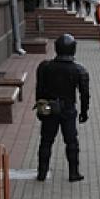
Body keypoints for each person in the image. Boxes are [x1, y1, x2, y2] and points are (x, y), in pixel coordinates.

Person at [34, 34, 90, 182]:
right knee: (71, 142)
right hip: (68, 110)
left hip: (49, 108)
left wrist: (40, 108)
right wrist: (84, 112)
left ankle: (42, 173)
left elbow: (39, 90)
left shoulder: (44, 67)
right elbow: (85, 94)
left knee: (46, 141)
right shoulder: (79, 69)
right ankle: (73, 172)